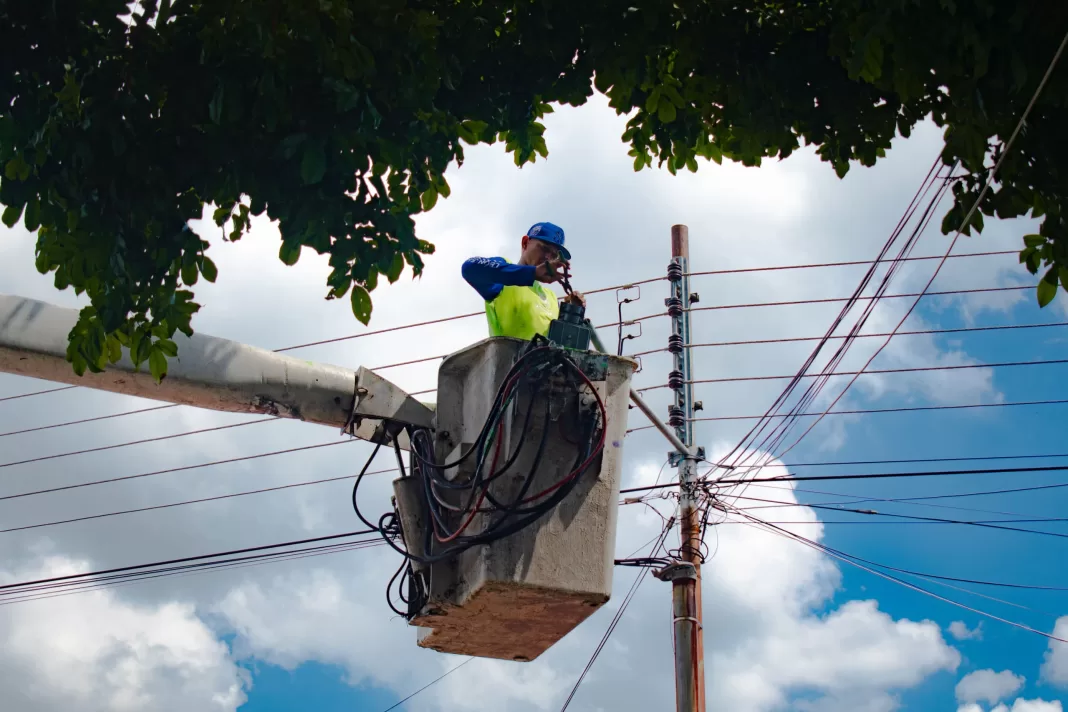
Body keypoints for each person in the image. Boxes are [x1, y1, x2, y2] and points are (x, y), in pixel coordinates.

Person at [461, 222, 586, 341]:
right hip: (509, 362)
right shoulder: (502, 276)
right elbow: (469, 267)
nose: (548, 257)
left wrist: (572, 314)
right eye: (544, 248)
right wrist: (531, 272)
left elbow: (562, 347)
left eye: (554, 255)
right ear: (525, 243)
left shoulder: (551, 298)